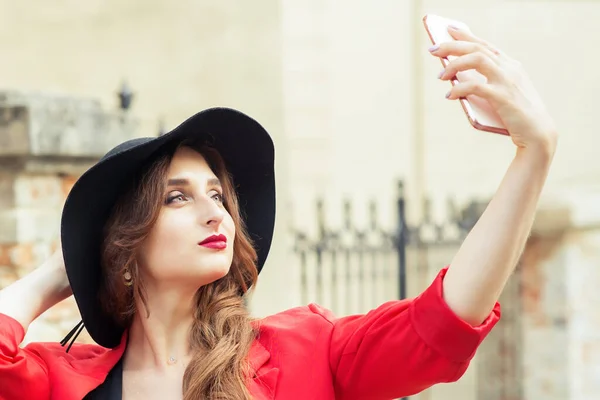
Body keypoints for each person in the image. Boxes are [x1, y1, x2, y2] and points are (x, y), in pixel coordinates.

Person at [0, 25, 557, 400]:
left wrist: (534, 155)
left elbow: (440, 324)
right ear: (124, 244)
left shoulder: (307, 350)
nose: (215, 212)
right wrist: (54, 276)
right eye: (177, 196)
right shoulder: (64, 379)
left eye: (217, 194)